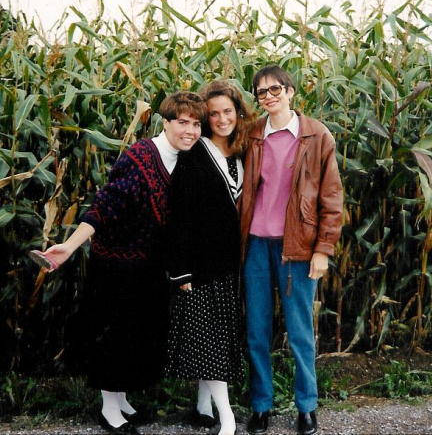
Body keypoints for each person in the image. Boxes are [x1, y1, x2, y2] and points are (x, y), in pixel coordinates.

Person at [36, 92, 207, 435]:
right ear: (166, 122)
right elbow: (106, 205)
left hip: (150, 265)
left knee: (139, 334)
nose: (190, 131)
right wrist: (69, 247)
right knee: (116, 334)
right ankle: (109, 409)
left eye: (196, 124)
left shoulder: (187, 159)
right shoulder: (141, 156)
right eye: (183, 122)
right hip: (118, 262)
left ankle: (122, 399)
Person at [239, 65, 343, 435]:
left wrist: (323, 249)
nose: (269, 96)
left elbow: (331, 197)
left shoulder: (316, 136)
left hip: (297, 247)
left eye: (275, 89)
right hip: (255, 245)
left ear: (291, 91)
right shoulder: (251, 135)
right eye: (261, 92)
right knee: (257, 330)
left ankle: (307, 406)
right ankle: (261, 405)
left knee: (299, 330)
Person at [165, 80, 256, 435]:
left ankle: (203, 406)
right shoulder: (194, 155)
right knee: (211, 340)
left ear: (238, 112)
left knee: (218, 336)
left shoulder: (242, 152)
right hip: (200, 266)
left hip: (230, 265)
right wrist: (181, 270)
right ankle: (228, 417)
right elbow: (179, 217)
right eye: (213, 113)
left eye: (227, 112)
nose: (221, 119)